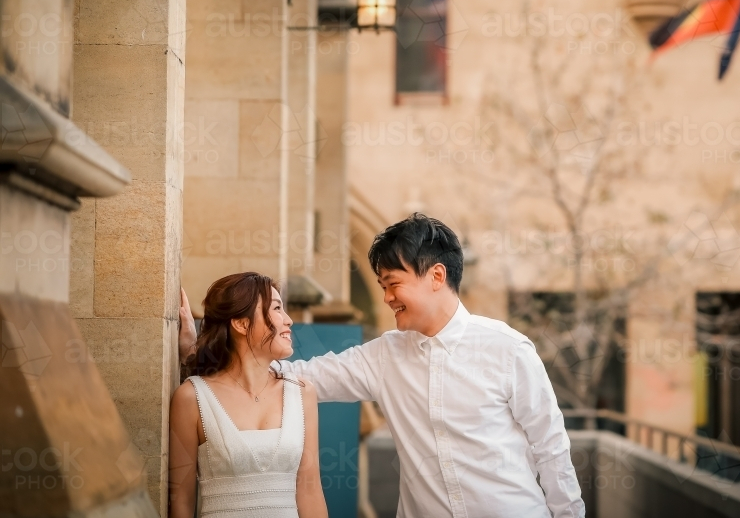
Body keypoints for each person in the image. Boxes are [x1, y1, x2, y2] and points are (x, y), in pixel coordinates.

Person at [179, 214, 585, 518]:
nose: (387, 297)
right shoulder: (384, 356)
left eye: (393, 283)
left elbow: (551, 448)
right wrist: (199, 352)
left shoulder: (508, 349)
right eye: (382, 287)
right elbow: (285, 377)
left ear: (436, 276)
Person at [170, 272, 327, 518]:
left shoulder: (302, 393)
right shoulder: (191, 397)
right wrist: (192, 352)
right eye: (276, 308)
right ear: (241, 323)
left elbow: (310, 491)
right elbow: (181, 502)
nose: (288, 320)